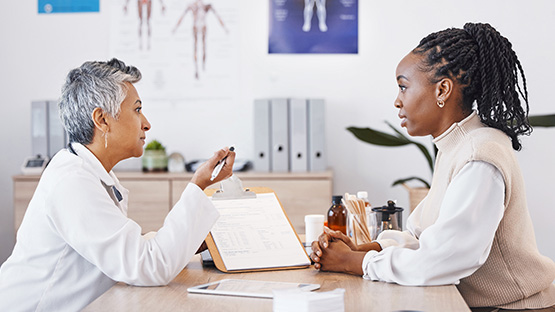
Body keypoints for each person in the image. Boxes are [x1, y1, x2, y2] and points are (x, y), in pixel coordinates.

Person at [311, 22, 555, 311]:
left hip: (516, 307)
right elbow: (421, 235)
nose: (397, 101)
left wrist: (354, 262)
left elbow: (443, 257)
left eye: (403, 86)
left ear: (443, 90)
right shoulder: (457, 145)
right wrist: (365, 249)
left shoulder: (479, 154)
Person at [0, 58, 235, 311]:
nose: (146, 123)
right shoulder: (72, 182)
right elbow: (148, 266)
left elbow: (130, 249)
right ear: (102, 120)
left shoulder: (89, 171)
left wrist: (190, 240)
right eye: (136, 110)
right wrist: (197, 185)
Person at [172, 0, 228, 79]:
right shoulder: (193, 6)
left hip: (202, 26)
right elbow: (182, 16)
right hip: (197, 26)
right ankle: (197, 69)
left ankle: (203, 67)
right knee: (196, 48)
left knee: (203, 47)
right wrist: (175, 28)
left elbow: (217, 16)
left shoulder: (205, 6)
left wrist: (224, 28)